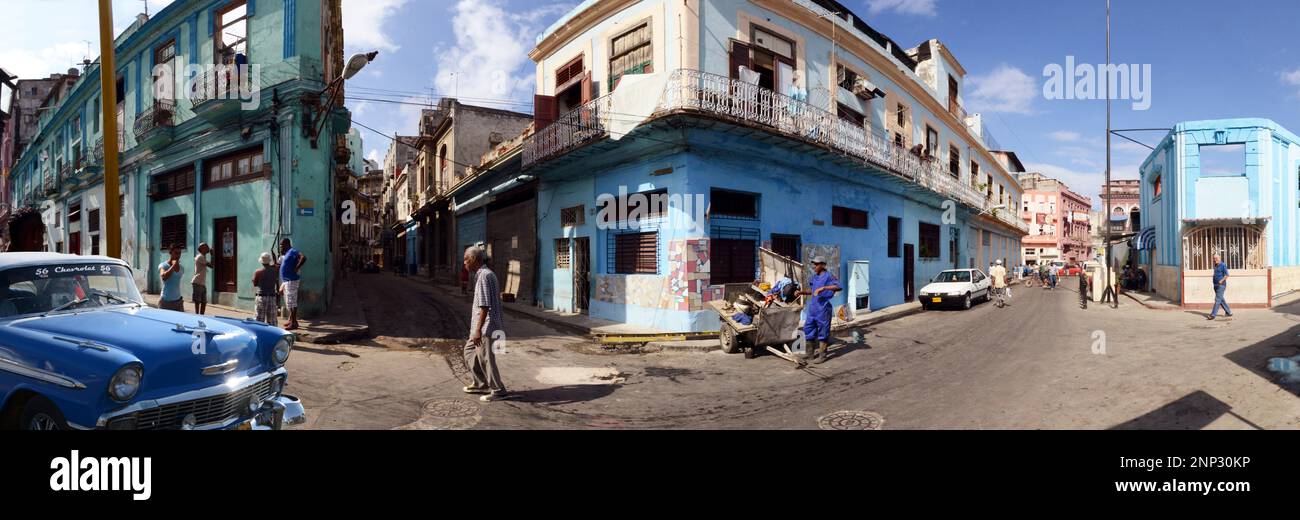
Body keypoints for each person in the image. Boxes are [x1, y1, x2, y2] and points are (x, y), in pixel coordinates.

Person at [463, 245, 508, 401]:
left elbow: (484, 305)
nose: (464, 263)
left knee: (486, 359)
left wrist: (478, 330)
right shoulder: (485, 274)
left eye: (466, 259)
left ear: (474, 259)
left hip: (487, 327)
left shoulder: (484, 275)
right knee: (470, 352)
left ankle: (498, 389)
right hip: (486, 325)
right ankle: (481, 383)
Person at [799, 256, 842, 364]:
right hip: (813, 308)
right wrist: (802, 292)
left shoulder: (829, 276)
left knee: (823, 331)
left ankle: (823, 355)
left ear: (823, 265)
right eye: (814, 264)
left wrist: (824, 288)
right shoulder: (814, 277)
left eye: (816, 264)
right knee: (808, 329)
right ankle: (810, 354)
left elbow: (839, 287)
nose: (814, 266)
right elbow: (813, 291)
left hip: (823, 308)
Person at [278, 238, 307, 330]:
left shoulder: (293, 251)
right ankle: (291, 320)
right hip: (287, 281)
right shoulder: (286, 254)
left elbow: (303, 257)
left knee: (292, 301)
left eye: (282, 245)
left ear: (287, 244)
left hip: (292, 280)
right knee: (289, 302)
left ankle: (294, 323)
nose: (280, 247)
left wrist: (297, 268)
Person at [253, 252, 281, 326]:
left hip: (262, 296)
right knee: (272, 320)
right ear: (269, 260)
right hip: (272, 296)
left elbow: (255, 284)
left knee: (259, 319)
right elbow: (277, 265)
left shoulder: (258, 272)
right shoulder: (275, 270)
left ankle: (260, 335)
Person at [157, 244, 185, 312]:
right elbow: (164, 277)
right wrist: (173, 266)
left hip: (178, 301)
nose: (178, 255)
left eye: (179, 253)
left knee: (180, 322)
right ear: (170, 252)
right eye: (176, 253)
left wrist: (176, 265)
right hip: (166, 302)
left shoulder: (181, 268)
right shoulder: (163, 265)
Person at [1209, 253, 1232, 320]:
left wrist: (1221, 281)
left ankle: (1213, 315)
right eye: (1214, 258)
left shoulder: (1223, 265)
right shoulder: (1215, 265)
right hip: (1215, 285)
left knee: (1217, 300)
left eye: (1216, 258)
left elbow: (1227, 275)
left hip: (1221, 285)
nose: (1214, 260)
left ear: (1219, 258)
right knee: (1221, 299)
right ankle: (1229, 312)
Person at [192, 243, 213, 315]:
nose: (208, 248)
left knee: (204, 302)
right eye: (206, 247)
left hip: (201, 282)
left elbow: (211, 265)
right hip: (197, 282)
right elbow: (211, 265)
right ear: (202, 248)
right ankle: (197, 315)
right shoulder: (200, 257)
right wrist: (212, 255)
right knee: (198, 302)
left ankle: (201, 316)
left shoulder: (203, 257)